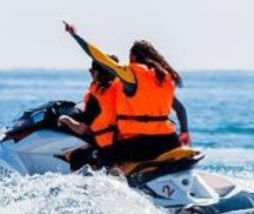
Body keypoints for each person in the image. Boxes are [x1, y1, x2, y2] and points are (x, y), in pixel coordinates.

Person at [63, 21, 191, 165]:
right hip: (170, 141)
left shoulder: (132, 75)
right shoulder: (162, 78)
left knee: (80, 157)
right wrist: (184, 132)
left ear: (135, 58)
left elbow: (101, 59)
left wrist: (76, 36)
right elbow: (181, 109)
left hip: (142, 144)